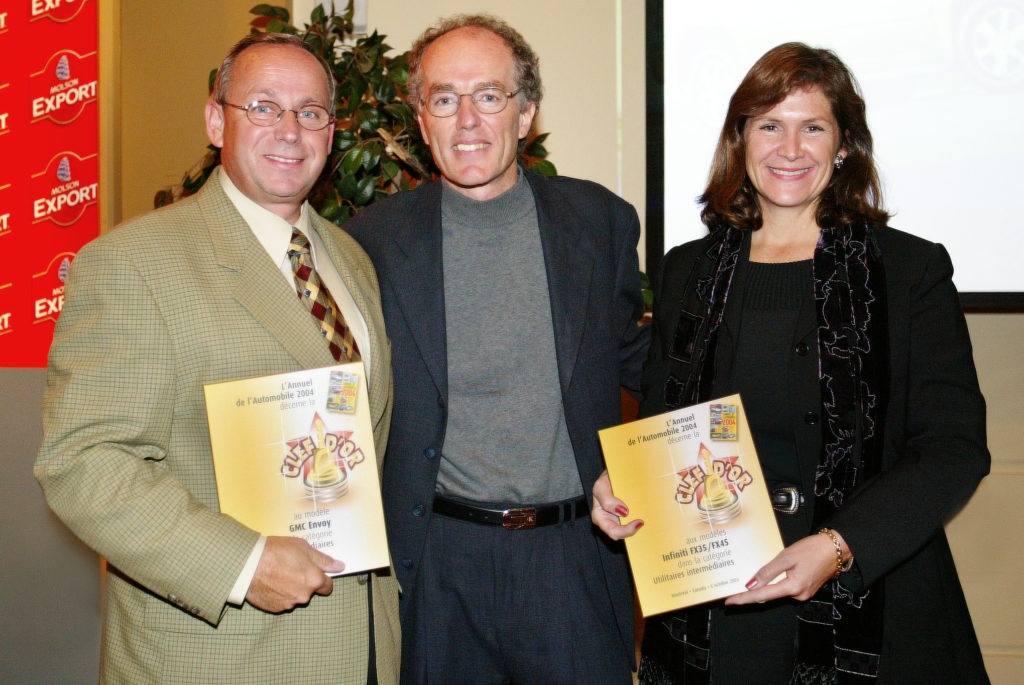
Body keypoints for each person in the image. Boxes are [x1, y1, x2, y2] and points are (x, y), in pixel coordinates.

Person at [592, 42, 990, 684]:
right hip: (718, 608)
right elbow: (666, 427)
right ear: (741, 139)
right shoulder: (687, 272)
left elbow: (954, 449)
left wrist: (837, 548)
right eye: (769, 125)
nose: (790, 147)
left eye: (813, 127)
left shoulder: (909, 270)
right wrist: (624, 484)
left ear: (843, 146)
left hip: (872, 602)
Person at [35, 33, 399, 684]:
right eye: (263, 106)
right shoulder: (134, 263)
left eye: (310, 112)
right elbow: (83, 463)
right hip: (220, 656)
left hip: (362, 646)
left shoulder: (351, 261)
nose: (289, 130)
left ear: (331, 131)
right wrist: (243, 561)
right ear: (215, 120)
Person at [344, 14, 647, 684]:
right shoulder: (369, 242)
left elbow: (645, 363)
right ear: (422, 121)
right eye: (445, 99)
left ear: (527, 113)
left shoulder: (599, 222)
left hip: (574, 558)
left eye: (490, 96)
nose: (468, 121)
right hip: (438, 562)